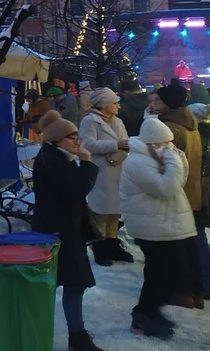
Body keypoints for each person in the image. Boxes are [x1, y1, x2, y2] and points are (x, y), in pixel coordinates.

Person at [32, 110, 104, 351]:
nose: (77, 140)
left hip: (62, 230)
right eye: (72, 137)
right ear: (56, 139)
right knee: (70, 283)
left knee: (69, 283)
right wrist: (86, 163)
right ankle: (74, 336)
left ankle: (74, 334)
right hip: (60, 232)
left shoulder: (54, 156)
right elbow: (76, 188)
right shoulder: (52, 159)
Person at [120, 117, 196, 338]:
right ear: (153, 143)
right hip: (150, 227)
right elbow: (166, 188)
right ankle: (143, 315)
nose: (169, 148)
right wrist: (173, 159)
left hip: (161, 224)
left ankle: (151, 311)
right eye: (165, 143)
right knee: (158, 273)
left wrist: (177, 158)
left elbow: (179, 182)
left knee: (165, 272)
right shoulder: (137, 161)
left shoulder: (155, 156)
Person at [153, 83, 205, 308]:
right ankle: (196, 291)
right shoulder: (190, 124)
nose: (154, 104)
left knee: (177, 246)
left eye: (158, 101)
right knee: (192, 243)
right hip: (191, 191)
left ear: (168, 103)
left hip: (175, 193)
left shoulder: (170, 129)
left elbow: (163, 166)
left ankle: (182, 291)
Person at [78, 87, 133, 267]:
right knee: (100, 211)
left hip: (118, 170)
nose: (118, 106)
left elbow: (126, 142)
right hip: (100, 172)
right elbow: (88, 144)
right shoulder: (89, 121)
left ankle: (113, 245)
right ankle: (100, 249)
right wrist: (115, 145)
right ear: (104, 105)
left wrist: (119, 151)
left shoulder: (117, 121)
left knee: (114, 212)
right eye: (114, 103)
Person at [189, 99, 210, 296]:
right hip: (204, 192)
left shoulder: (196, 138)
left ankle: (204, 281)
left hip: (200, 193)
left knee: (198, 236)